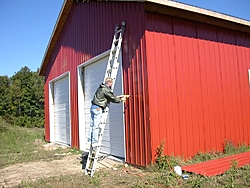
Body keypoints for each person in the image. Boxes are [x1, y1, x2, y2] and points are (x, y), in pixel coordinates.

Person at [87, 77, 127, 147]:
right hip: (98, 108)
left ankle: (89, 140)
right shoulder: (106, 89)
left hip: (93, 107)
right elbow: (111, 98)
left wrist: (119, 97)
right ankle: (94, 142)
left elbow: (107, 97)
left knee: (92, 125)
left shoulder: (101, 88)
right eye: (111, 83)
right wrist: (121, 100)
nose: (112, 85)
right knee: (96, 126)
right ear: (109, 83)